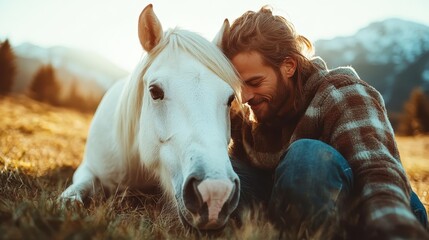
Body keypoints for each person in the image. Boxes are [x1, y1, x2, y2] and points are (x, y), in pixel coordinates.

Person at [219, 6, 429, 239]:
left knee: (306, 157)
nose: (246, 96)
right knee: (225, 168)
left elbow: (377, 172)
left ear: (288, 66)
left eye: (255, 82)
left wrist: (394, 230)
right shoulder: (244, 112)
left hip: (378, 213)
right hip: (296, 216)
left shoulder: (341, 94)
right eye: (239, 86)